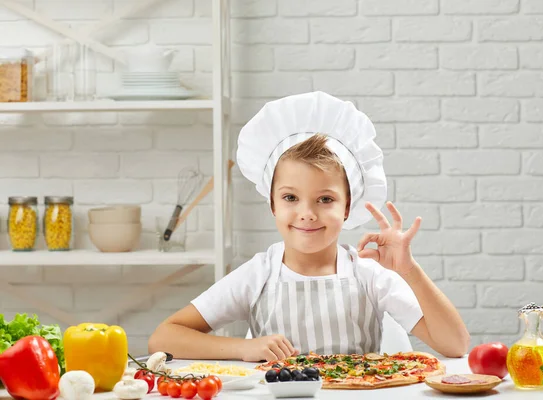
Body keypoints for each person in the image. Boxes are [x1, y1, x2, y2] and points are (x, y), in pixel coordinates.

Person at [148, 92, 470, 362]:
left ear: (348, 207)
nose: (307, 214)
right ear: (272, 204)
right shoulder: (259, 274)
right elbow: (163, 338)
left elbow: (455, 345)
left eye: (325, 199)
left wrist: (409, 270)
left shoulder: (367, 274)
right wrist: (245, 348)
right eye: (291, 197)